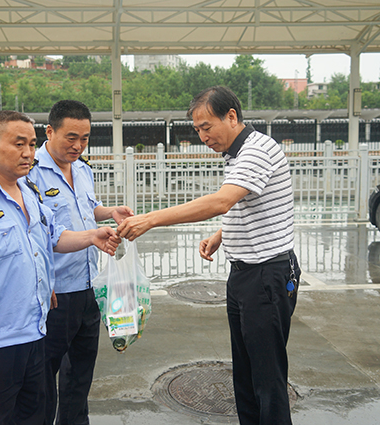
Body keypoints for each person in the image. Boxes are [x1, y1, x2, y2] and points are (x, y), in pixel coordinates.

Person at [117, 86, 300, 425]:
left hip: (267, 276)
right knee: (244, 373)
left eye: (206, 127)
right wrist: (221, 234)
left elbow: (222, 201)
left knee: (267, 377)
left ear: (231, 116)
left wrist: (150, 219)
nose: (202, 137)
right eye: (198, 129)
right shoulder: (236, 153)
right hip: (245, 274)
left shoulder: (257, 150)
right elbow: (248, 203)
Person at [0, 110, 120, 425]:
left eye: (31, 144)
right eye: (18, 143)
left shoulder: (28, 193)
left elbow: (53, 238)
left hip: (35, 336)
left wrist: (92, 236)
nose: (27, 153)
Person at [27, 100, 133, 425]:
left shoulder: (83, 169)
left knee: (80, 374)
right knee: (44, 378)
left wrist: (109, 212)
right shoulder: (30, 172)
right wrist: (91, 236)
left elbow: (88, 208)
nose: (78, 145)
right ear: (49, 132)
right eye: (71, 137)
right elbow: (43, 234)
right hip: (55, 293)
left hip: (89, 288)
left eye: (85, 138)